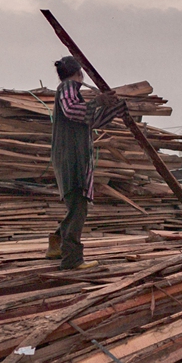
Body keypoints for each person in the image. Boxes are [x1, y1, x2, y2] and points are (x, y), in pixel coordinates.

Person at [48, 56, 125, 270]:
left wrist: (113, 108)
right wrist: (99, 101)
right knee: (78, 206)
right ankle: (72, 259)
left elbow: (91, 120)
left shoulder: (71, 91)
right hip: (70, 157)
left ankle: (56, 242)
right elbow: (73, 110)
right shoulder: (68, 87)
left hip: (72, 157)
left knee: (76, 205)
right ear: (79, 73)